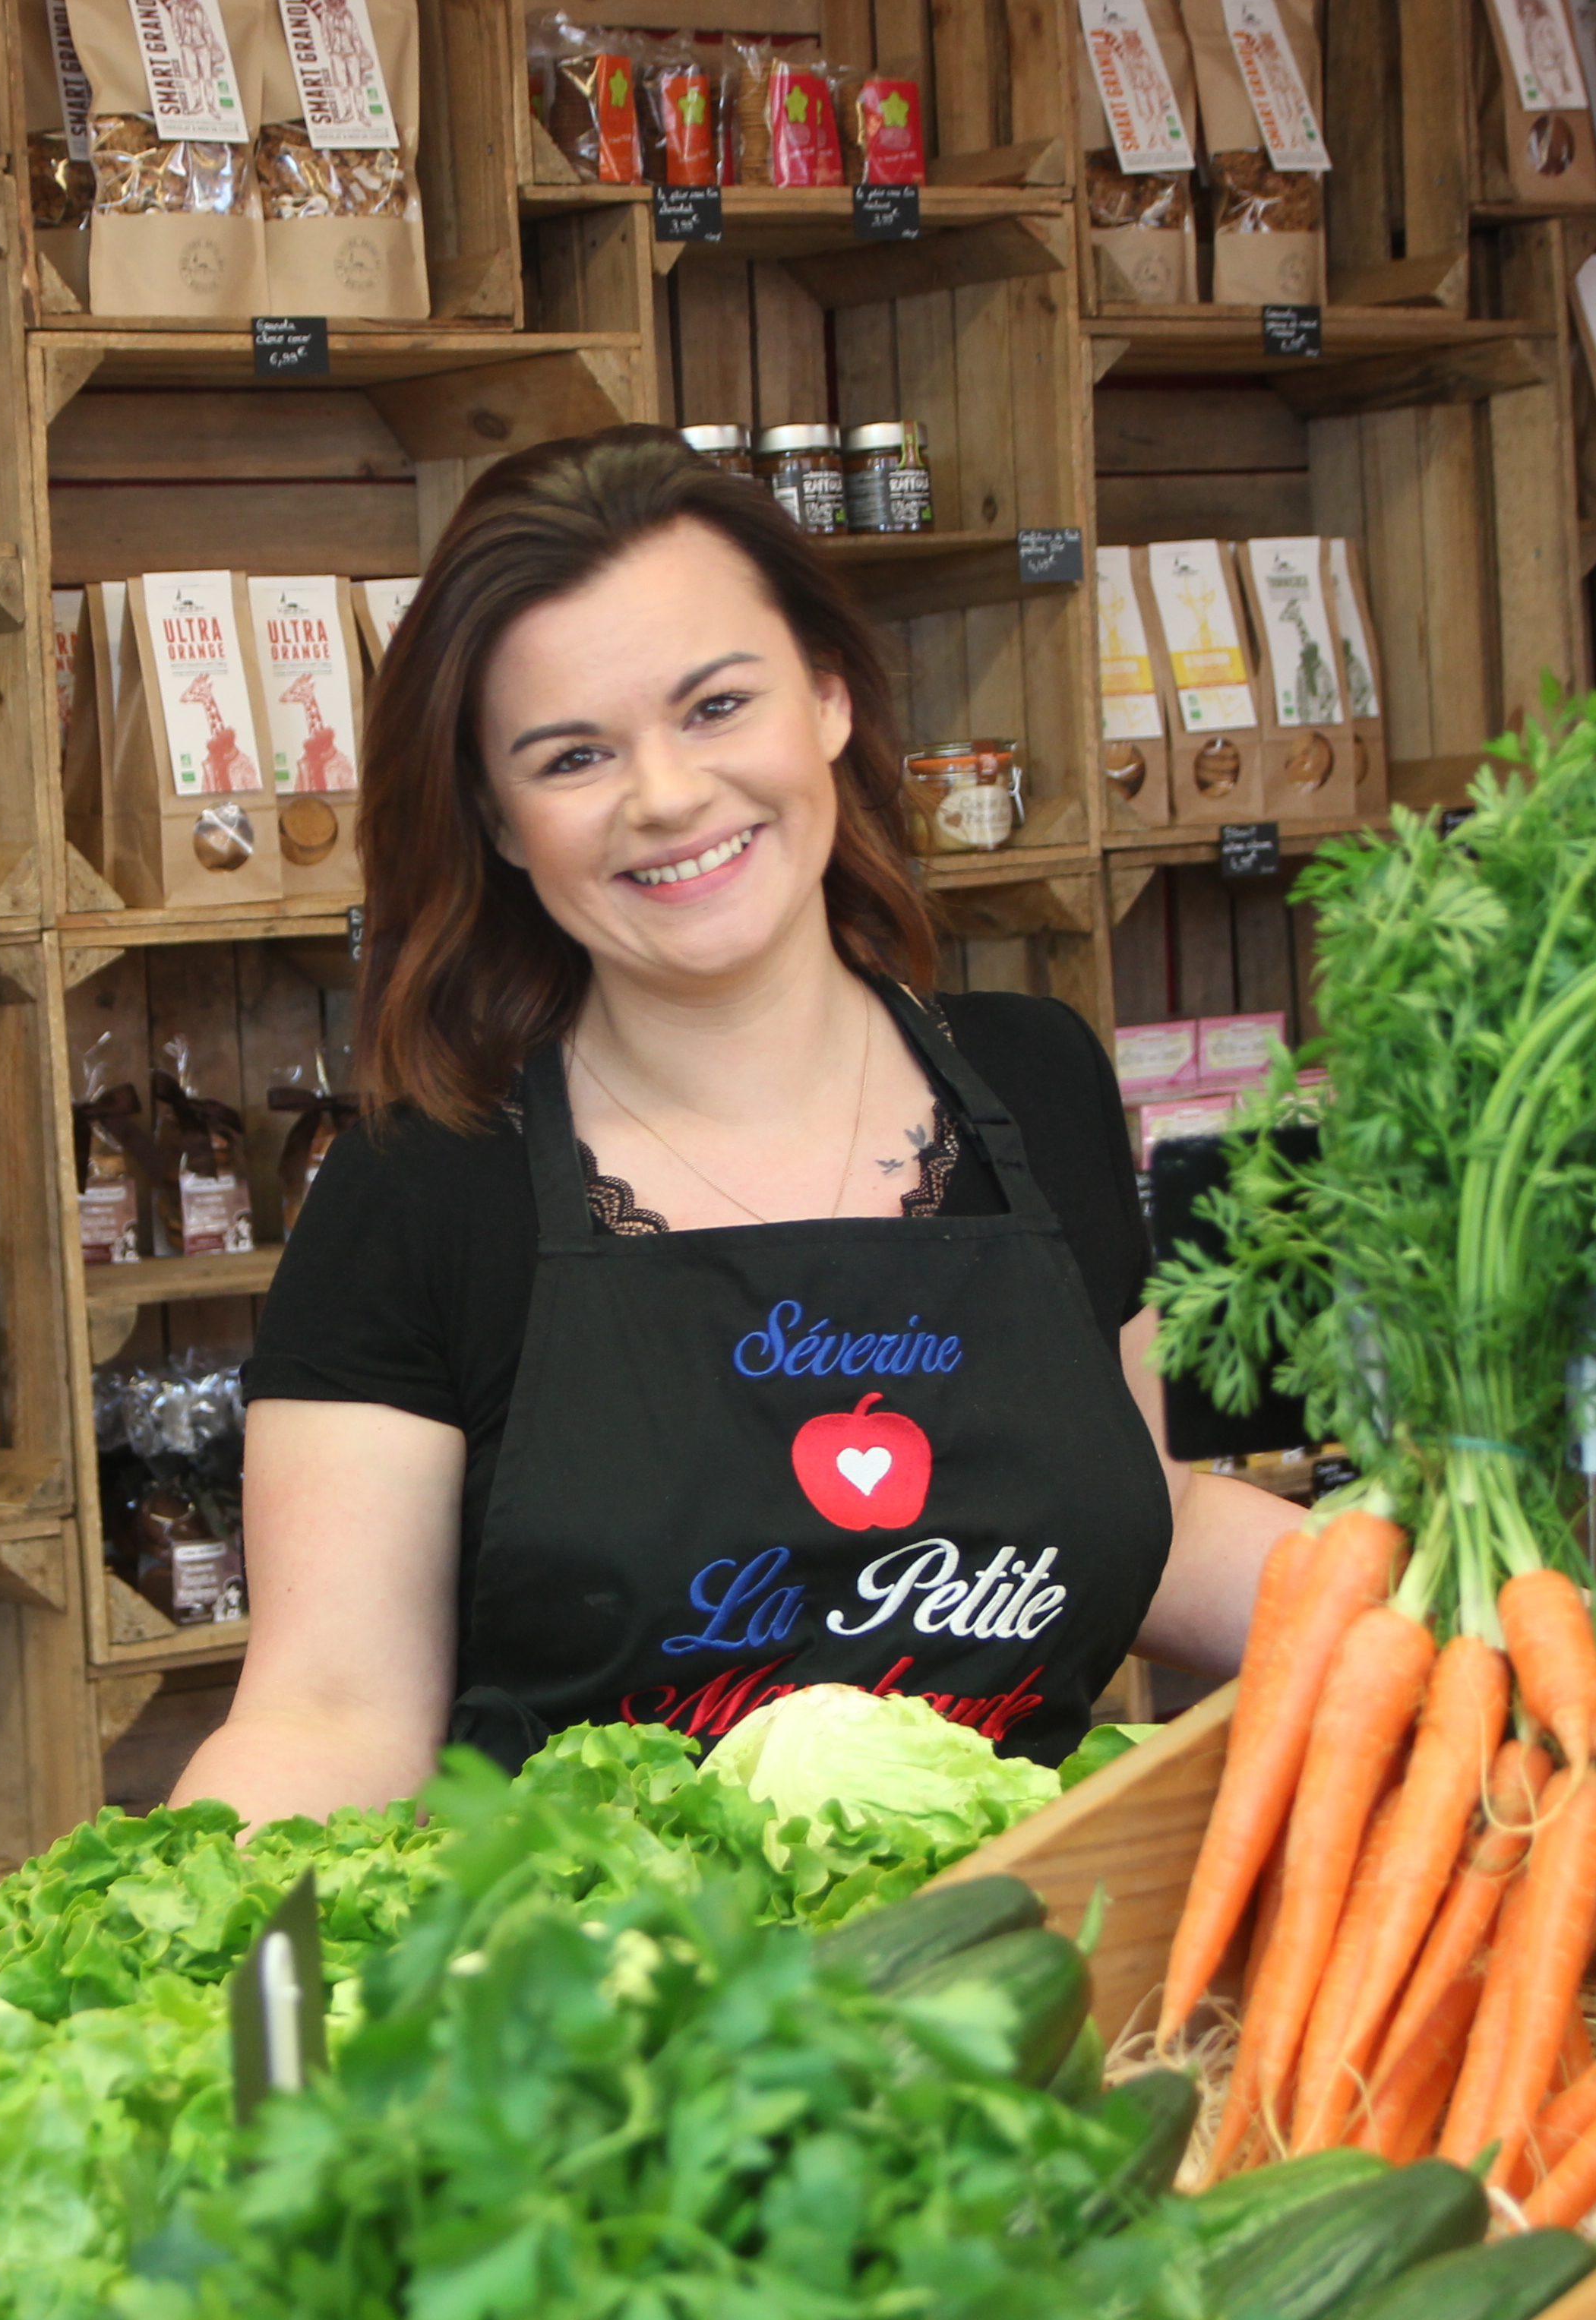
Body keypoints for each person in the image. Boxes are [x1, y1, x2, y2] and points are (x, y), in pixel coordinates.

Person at [174, 428, 1305, 1824]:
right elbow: (331, 1717)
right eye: (574, 755)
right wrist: (207, 1983)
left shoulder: (1036, 1079)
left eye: (716, 707)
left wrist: (1466, 1613)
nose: (665, 795)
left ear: (827, 697)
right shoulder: (422, 1190)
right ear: (501, 820)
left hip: (1028, 1973)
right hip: (610, 2011)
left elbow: (1154, 1521)